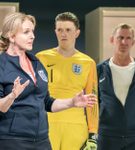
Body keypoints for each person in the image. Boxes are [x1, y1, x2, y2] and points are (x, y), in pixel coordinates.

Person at [0, 12, 97, 150]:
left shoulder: (36, 63)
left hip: (42, 139)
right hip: (13, 140)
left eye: (32, 31)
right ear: (11, 35)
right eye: (26, 32)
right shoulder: (4, 64)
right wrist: (12, 95)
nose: (32, 36)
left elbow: (46, 102)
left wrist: (72, 102)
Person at [36, 12, 99, 150]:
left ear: (77, 33)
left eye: (68, 30)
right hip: (47, 125)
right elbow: (34, 95)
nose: (63, 34)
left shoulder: (88, 63)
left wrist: (93, 134)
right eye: (60, 30)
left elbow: (92, 101)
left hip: (76, 128)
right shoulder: (41, 58)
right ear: (55, 32)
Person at [97, 23, 135, 150]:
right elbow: (95, 100)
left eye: (128, 38)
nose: (124, 42)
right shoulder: (99, 70)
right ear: (112, 40)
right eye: (120, 37)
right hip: (107, 136)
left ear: (133, 42)